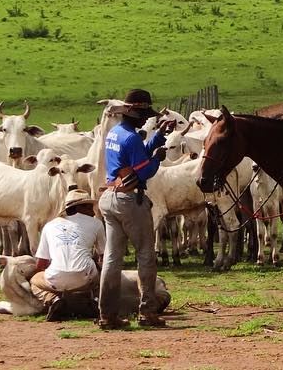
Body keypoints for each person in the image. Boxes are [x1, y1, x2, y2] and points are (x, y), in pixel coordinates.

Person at [97, 88, 175, 329]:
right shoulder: (131, 138)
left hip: (110, 198)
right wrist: (158, 157)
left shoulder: (115, 133)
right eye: (144, 115)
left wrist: (158, 137)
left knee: (112, 259)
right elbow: (144, 170)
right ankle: (147, 312)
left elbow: (136, 155)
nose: (146, 119)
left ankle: (107, 315)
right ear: (134, 113)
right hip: (130, 201)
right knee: (145, 255)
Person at [30, 188, 105, 322]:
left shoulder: (49, 226)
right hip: (85, 278)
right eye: (89, 206)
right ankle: (96, 300)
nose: (93, 212)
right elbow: (104, 257)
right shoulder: (97, 224)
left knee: (35, 280)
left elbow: (41, 263)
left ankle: (52, 299)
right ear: (80, 207)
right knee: (101, 271)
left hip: (55, 278)